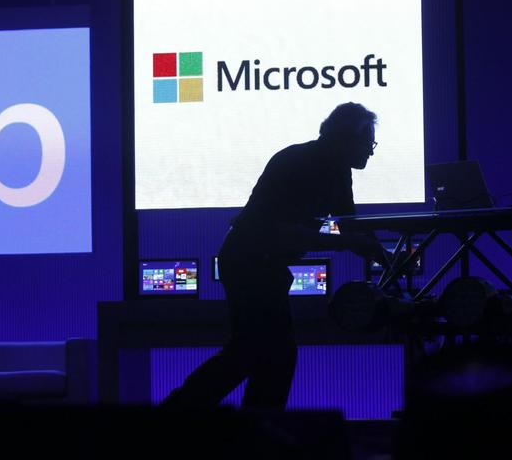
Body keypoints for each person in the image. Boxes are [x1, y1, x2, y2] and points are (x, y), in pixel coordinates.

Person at [162, 102, 388, 410]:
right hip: (251, 261)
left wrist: (378, 253)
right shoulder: (301, 164)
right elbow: (287, 232)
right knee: (265, 353)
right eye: (367, 143)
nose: (371, 151)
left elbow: (351, 224)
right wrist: (351, 243)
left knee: (257, 351)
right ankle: (192, 416)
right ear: (347, 138)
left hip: (254, 261)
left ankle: (197, 417)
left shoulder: (329, 168)